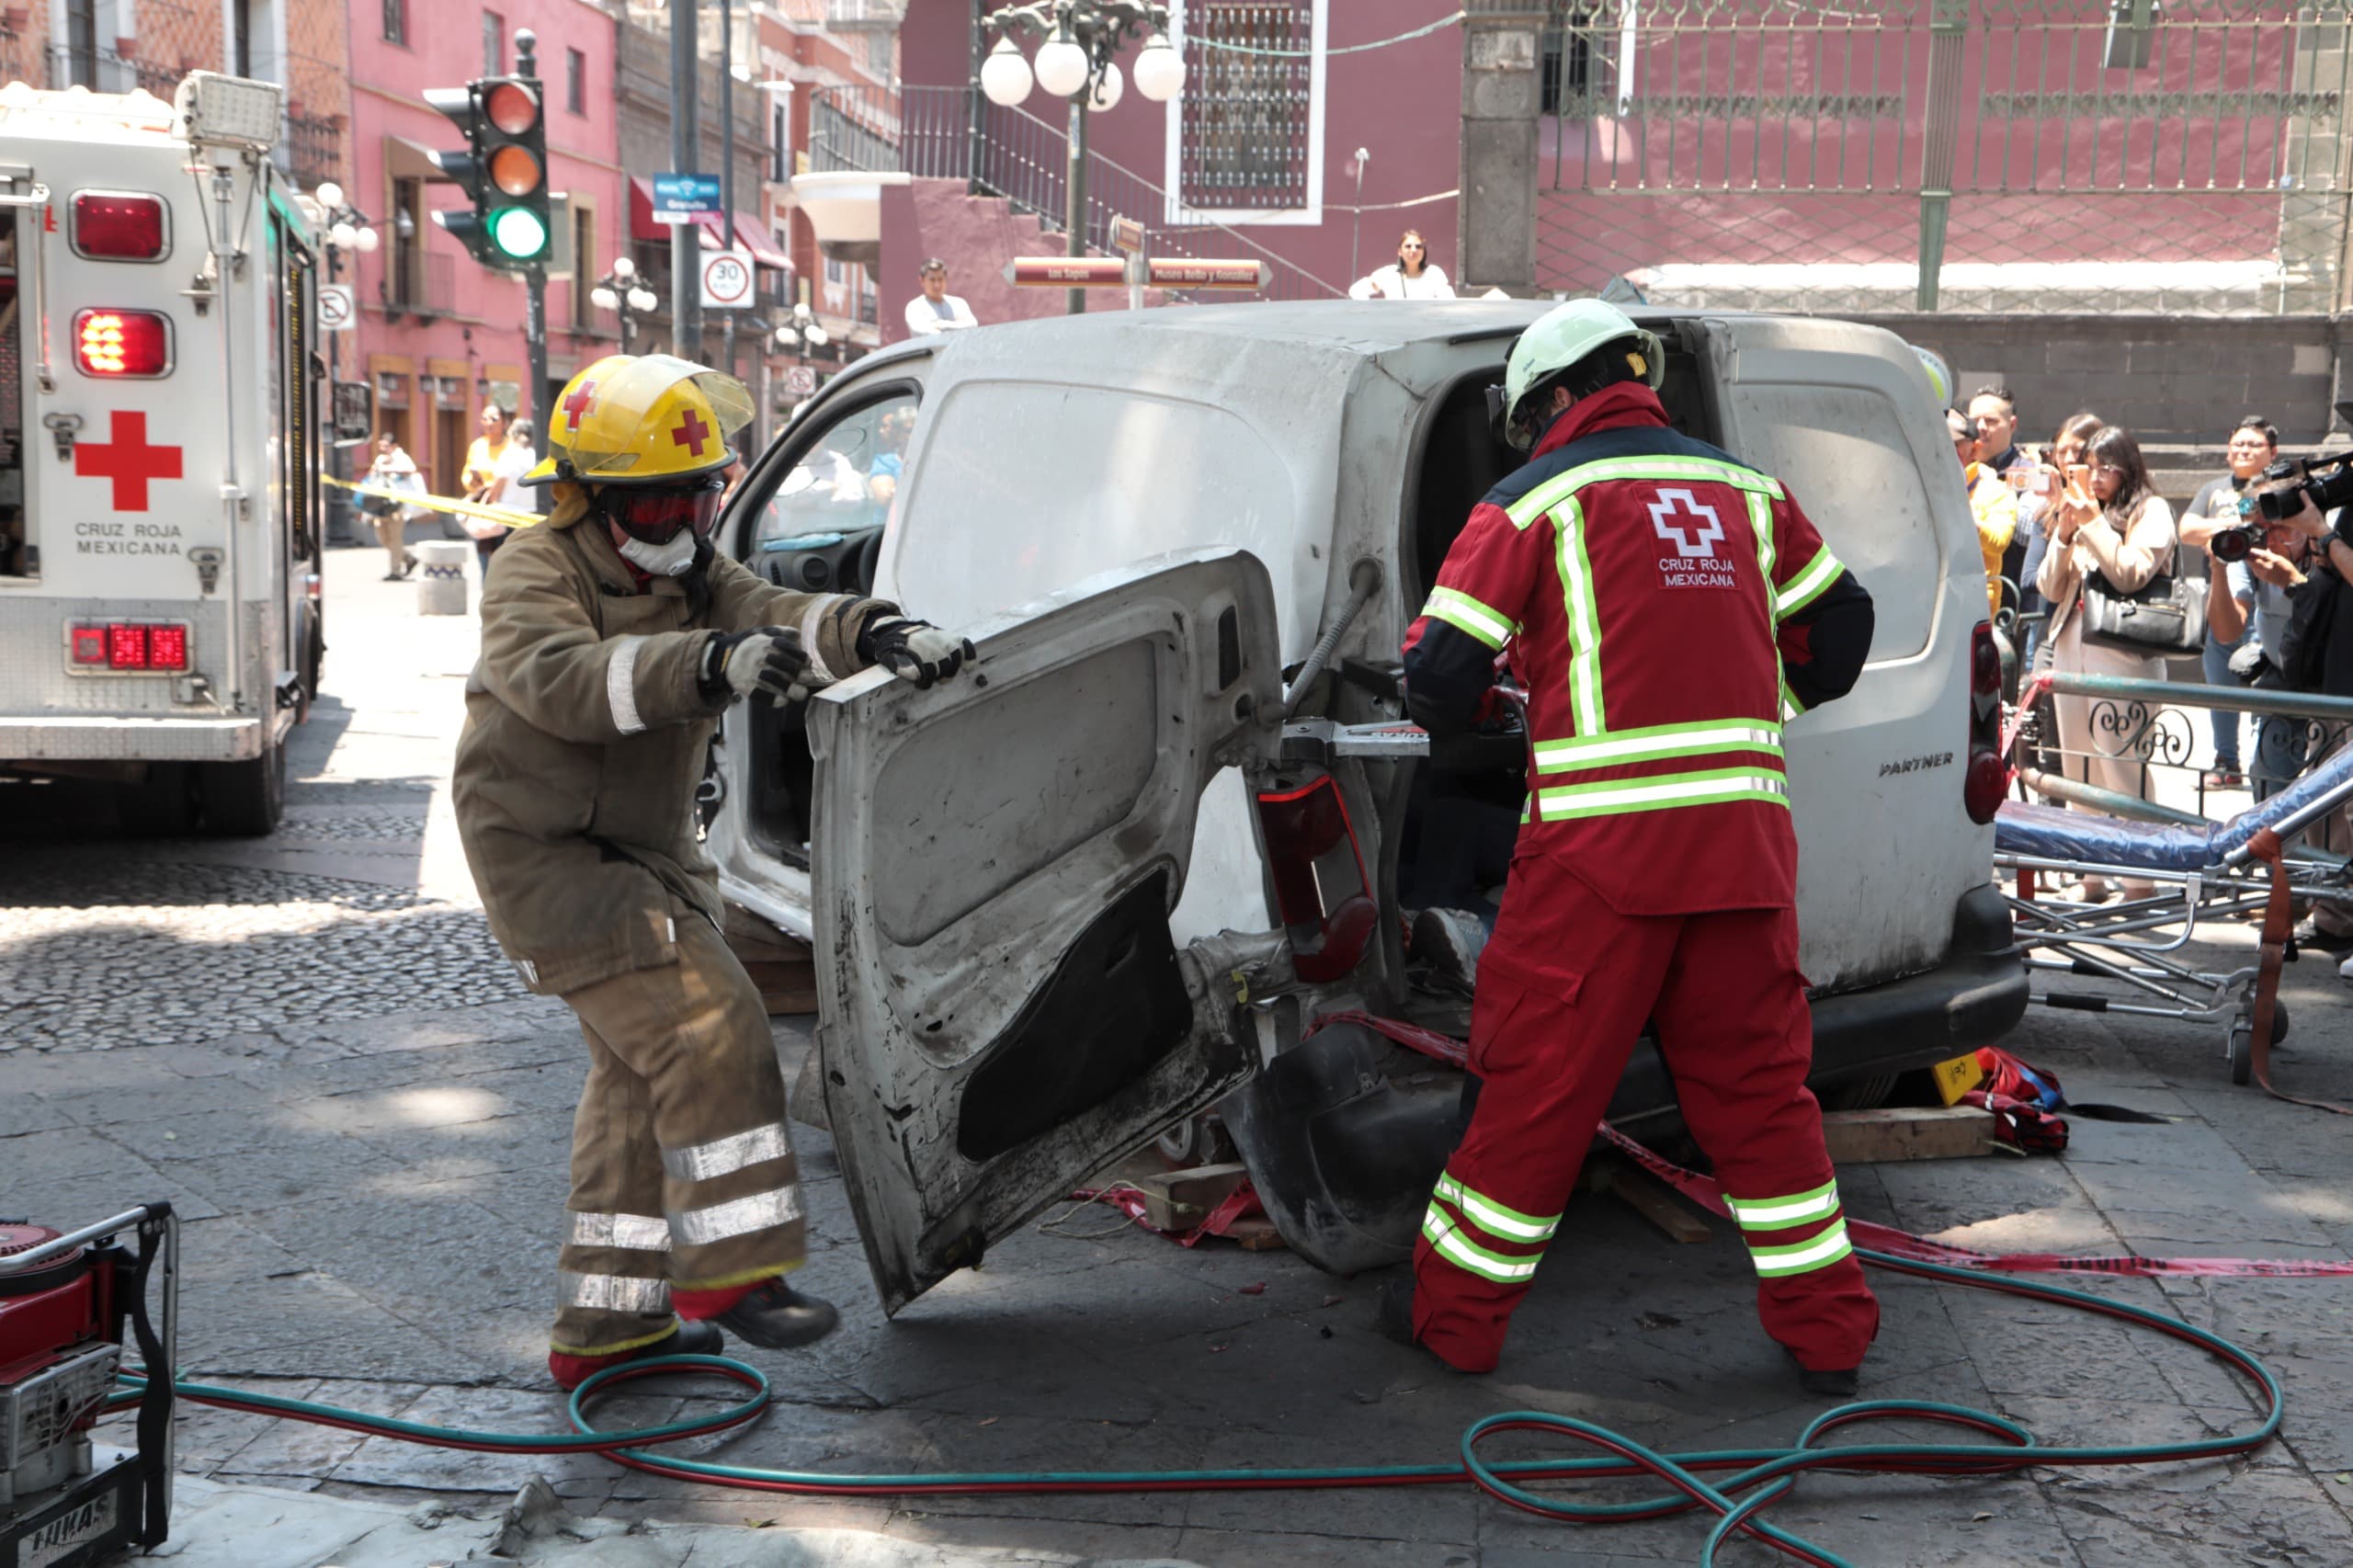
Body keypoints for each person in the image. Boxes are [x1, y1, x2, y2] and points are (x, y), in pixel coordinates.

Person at [450, 353, 979, 1392]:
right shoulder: (534, 569)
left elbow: (771, 608)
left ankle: (606, 1326)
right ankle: (733, 1267)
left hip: (645, 849)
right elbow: (557, 681)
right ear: (594, 499)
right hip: (547, 853)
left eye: (703, 490)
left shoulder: (687, 564)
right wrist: (700, 665)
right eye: (662, 495)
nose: (686, 514)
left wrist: (874, 627)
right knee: (711, 1024)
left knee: (635, 1087)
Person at [1388, 300, 1880, 1390]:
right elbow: (1841, 632)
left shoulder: (1529, 503)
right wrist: (1752, 706)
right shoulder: (1748, 493)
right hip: (1744, 854)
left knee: (1532, 1095)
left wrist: (1510, 714)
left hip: (1596, 863)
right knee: (1760, 1098)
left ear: (1557, 397)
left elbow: (1437, 674)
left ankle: (1451, 1321)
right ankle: (1831, 1332)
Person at [2033, 424, 2177, 903]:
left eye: (2105, 469)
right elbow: (2050, 589)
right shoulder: (2084, 512)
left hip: (2123, 653)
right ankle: (2090, 876)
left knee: (2121, 767)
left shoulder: (2151, 510)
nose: (2094, 479)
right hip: (2073, 642)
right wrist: (2066, 533)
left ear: (2128, 469)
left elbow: (2133, 573)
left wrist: (2092, 524)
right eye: (2087, 468)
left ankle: (2140, 881)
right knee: (2078, 768)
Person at [2177, 416, 2281, 790]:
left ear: (2273, 453)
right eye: (2237, 444)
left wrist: (2222, 524)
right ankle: (2227, 759)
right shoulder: (2213, 488)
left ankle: (2263, 764)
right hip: (2225, 593)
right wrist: (2233, 530)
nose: (2243, 450)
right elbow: (2187, 530)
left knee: (2263, 684)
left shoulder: (2281, 490)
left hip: (2273, 601)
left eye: (2252, 445)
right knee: (2220, 677)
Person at [2014, 411, 2104, 668]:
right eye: (2061, 451)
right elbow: (2029, 580)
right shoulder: (2047, 512)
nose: (2068, 460)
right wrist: (2058, 517)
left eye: (2077, 450)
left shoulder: (2113, 506)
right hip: (2056, 632)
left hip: (2105, 635)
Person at [1949, 408, 2017, 622]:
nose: (1944, 450)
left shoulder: (1996, 490)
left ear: (1975, 449)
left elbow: (1999, 541)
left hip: (1975, 602)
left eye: (1954, 445)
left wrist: (1964, 519)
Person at [467, 416, 536, 577]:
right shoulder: (536, 457)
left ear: (512, 434)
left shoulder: (509, 456)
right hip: (532, 519)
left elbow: (495, 493)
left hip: (507, 520)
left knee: (502, 567)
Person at [364, 431, 422, 582]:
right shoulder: (380, 459)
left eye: (386, 446)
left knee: (395, 539)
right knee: (383, 539)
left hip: (397, 507)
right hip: (380, 506)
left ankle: (395, 571)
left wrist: (390, 468)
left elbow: (411, 470)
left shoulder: (402, 458)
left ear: (394, 446)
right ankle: (408, 558)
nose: (382, 449)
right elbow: (371, 475)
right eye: (380, 446)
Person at [1349, 229, 1456, 301]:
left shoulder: (1434, 273)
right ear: (1399, 251)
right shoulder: (1388, 273)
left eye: (1418, 246)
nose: (1413, 250)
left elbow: (1449, 302)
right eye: (1408, 246)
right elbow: (1356, 290)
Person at [903, 257, 979, 335]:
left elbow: (972, 326)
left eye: (940, 279)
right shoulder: (914, 307)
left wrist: (942, 325)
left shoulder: (959, 304)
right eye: (932, 280)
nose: (937, 285)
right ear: (922, 281)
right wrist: (957, 325)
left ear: (946, 280)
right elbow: (921, 332)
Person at [463, 403, 511, 509]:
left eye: (494, 419)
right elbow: (466, 474)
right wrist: (472, 481)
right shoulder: (477, 446)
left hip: (505, 503)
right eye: (484, 418)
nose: (488, 423)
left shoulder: (512, 447)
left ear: (505, 423)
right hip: (481, 500)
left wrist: (493, 487)